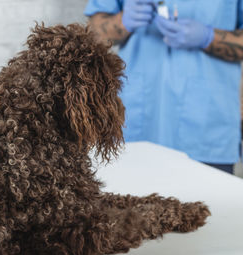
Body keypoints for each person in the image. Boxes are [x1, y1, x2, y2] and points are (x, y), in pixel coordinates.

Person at [84, 0, 243, 174]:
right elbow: (91, 36)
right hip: (136, 126)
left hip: (206, 130)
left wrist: (208, 37)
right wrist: (123, 21)